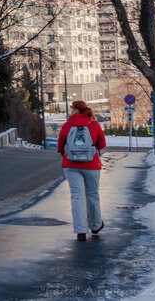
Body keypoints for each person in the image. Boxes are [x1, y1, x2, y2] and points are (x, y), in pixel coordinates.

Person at [57, 100, 107, 241]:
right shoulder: (94, 125)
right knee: (92, 194)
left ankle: (80, 230)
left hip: (71, 166)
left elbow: (60, 145)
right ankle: (96, 225)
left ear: (76, 110)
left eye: (72, 109)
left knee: (77, 196)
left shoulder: (67, 126)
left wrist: (66, 154)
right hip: (92, 165)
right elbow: (102, 144)